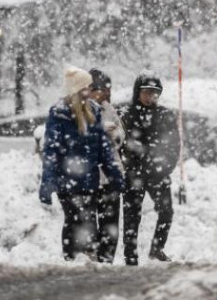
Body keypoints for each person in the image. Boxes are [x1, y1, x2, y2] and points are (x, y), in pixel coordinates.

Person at [39, 66, 125, 261]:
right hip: (67, 181)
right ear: (76, 90)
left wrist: (115, 175)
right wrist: (47, 183)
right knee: (75, 222)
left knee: (88, 227)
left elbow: (103, 149)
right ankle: (72, 260)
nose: (90, 91)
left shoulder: (94, 111)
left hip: (89, 182)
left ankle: (87, 264)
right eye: (86, 87)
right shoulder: (59, 114)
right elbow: (51, 150)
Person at [120, 70, 180, 265]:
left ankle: (157, 249)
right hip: (133, 174)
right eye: (146, 91)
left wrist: (164, 168)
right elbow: (120, 145)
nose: (150, 96)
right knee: (131, 217)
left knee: (166, 211)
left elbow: (174, 146)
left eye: (155, 92)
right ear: (138, 92)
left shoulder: (165, 115)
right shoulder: (126, 115)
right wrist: (129, 166)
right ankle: (130, 256)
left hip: (158, 173)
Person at [88, 68, 126, 264]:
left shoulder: (109, 109)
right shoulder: (81, 109)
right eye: (104, 89)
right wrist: (100, 132)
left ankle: (107, 259)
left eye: (109, 89)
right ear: (91, 89)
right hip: (89, 175)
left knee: (110, 222)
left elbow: (121, 134)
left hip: (110, 174)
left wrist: (115, 136)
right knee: (88, 222)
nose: (108, 94)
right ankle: (92, 259)